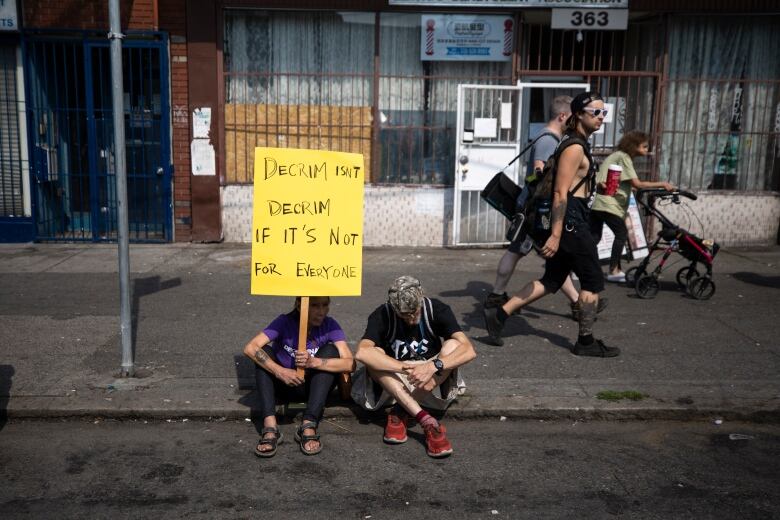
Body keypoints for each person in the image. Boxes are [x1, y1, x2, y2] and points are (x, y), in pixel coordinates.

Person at [483, 92, 620, 358]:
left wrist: (597, 187)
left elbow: (573, 184)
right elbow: (560, 193)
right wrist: (556, 235)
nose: (601, 117)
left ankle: (499, 314)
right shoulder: (574, 147)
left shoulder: (577, 143)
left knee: (552, 280)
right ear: (578, 113)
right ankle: (586, 340)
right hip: (571, 223)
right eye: (596, 112)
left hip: (572, 219)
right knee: (592, 281)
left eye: (604, 113)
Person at [352, 276, 477, 458]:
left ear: (422, 298)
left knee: (453, 344)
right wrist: (405, 368)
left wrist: (434, 366)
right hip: (395, 383)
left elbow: (469, 350)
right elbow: (362, 353)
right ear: (393, 307)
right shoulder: (382, 314)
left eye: (415, 312)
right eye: (404, 315)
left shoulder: (437, 309)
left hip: (431, 382)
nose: (411, 319)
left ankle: (401, 411)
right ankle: (426, 420)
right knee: (374, 353)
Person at [243, 296, 354, 457]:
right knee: (263, 353)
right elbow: (250, 348)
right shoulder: (284, 321)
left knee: (330, 352)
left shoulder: (330, 324)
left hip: (313, 388)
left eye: (325, 305)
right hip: (284, 385)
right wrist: (279, 371)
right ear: (299, 305)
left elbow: (350, 363)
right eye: (315, 306)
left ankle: (309, 424)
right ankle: (270, 426)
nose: (321, 311)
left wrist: (316, 362)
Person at [590, 130, 675, 282]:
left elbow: (629, 184)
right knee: (621, 233)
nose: (646, 150)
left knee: (594, 238)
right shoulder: (624, 157)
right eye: (644, 146)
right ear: (633, 145)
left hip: (600, 203)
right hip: (609, 204)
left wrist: (642, 188)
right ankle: (613, 271)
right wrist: (663, 184)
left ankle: (576, 268)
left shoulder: (617, 156)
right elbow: (638, 183)